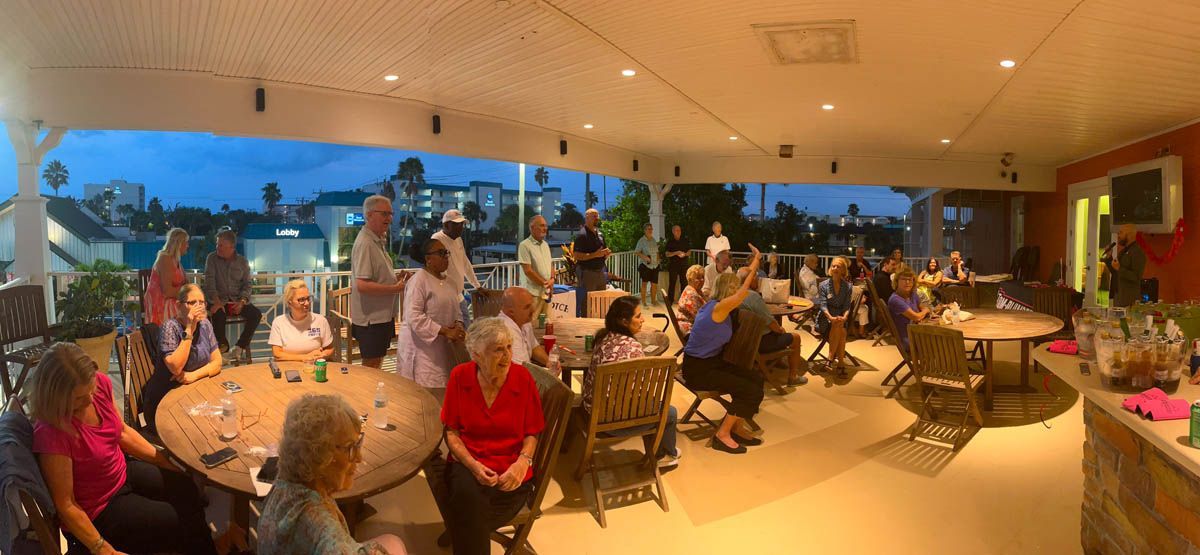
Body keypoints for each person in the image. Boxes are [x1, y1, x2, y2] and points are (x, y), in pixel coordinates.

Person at [29, 343, 217, 555]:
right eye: (79, 398)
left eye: (90, 391)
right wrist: (103, 549)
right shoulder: (51, 433)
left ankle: (199, 545)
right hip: (99, 509)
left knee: (187, 487)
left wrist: (164, 461)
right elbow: (66, 505)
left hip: (122, 473)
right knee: (179, 521)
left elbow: (122, 433)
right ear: (56, 397)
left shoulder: (99, 384)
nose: (91, 399)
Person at [441, 318, 544, 555]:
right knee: (468, 501)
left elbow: (533, 431)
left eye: (509, 347)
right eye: (498, 350)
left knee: (466, 516)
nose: (507, 355)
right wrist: (473, 466)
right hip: (468, 462)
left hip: (510, 468)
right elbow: (452, 433)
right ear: (476, 355)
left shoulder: (522, 378)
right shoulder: (460, 377)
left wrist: (522, 462)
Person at [257, 394, 407, 555]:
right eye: (350, 448)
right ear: (320, 457)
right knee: (394, 542)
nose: (358, 457)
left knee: (392, 540)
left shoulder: (284, 482)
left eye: (358, 444)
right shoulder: (318, 521)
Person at [681, 244, 765, 455]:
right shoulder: (718, 308)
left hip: (710, 363)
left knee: (756, 379)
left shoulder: (713, 305)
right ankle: (723, 435)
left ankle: (735, 426)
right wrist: (755, 264)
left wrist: (755, 261)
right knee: (749, 389)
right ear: (729, 292)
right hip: (698, 370)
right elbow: (744, 291)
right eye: (735, 289)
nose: (739, 293)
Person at [583, 296, 680, 468]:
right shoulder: (632, 347)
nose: (643, 319)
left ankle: (661, 448)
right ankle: (665, 454)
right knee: (669, 412)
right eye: (638, 316)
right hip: (610, 421)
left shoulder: (603, 338)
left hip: (592, 410)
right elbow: (639, 393)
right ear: (623, 321)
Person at [141, 284, 223, 433]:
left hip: (193, 395)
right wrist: (189, 329)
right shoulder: (170, 327)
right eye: (192, 303)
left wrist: (193, 376)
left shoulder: (205, 325)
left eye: (202, 302)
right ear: (179, 305)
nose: (199, 306)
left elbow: (217, 362)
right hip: (164, 403)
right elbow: (176, 367)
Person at [398, 239, 466, 391]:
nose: (446, 257)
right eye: (441, 253)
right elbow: (414, 316)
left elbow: (457, 312)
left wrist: (458, 325)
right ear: (428, 259)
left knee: (444, 390)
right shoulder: (418, 281)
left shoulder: (451, 283)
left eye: (446, 253)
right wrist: (444, 331)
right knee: (424, 393)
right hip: (422, 350)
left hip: (444, 349)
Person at [351, 195, 408, 369]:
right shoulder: (366, 243)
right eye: (384, 214)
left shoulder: (377, 240)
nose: (389, 219)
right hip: (371, 321)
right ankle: (367, 396)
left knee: (377, 364)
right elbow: (362, 285)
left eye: (391, 214)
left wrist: (396, 279)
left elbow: (376, 276)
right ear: (369, 215)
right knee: (371, 367)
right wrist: (394, 288)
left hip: (381, 317)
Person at [736, 267, 808, 386]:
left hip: (743, 341)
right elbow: (771, 323)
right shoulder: (753, 297)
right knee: (795, 337)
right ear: (751, 279)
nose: (758, 280)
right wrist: (780, 330)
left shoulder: (733, 294)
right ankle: (793, 377)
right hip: (759, 342)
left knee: (781, 331)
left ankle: (776, 361)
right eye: (756, 277)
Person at [203, 228, 260, 363]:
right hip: (218, 300)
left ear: (232, 247)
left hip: (236, 300)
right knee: (218, 314)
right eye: (217, 244)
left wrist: (242, 301)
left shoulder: (242, 262)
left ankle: (240, 346)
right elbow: (209, 283)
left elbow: (247, 284)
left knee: (256, 314)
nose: (217, 247)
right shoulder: (212, 258)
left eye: (221, 245)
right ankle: (222, 349)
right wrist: (216, 302)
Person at [433, 209, 482, 323]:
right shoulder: (437, 239)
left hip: (458, 295)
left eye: (462, 224)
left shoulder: (458, 239)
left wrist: (477, 285)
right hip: (445, 298)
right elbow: (435, 270)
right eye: (457, 224)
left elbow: (465, 263)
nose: (461, 227)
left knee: (466, 328)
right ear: (446, 225)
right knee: (454, 330)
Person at [268, 279, 334, 362]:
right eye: (301, 300)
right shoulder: (279, 322)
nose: (307, 303)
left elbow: (329, 349)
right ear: (289, 302)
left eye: (308, 298)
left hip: (314, 367)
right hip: (288, 368)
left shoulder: (320, 320)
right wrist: (305, 357)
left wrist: (322, 355)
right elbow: (277, 355)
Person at [145, 227, 189, 325]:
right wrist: (186, 291)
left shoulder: (176, 260)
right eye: (186, 242)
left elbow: (186, 284)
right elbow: (167, 292)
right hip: (161, 303)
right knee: (190, 312)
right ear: (179, 244)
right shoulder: (165, 259)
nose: (187, 246)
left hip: (173, 299)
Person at [817, 257, 853, 373]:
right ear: (830, 268)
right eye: (834, 266)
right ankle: (840, 363)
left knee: (839, 326)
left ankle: (830, 360)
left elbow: (847, 306)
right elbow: (823, 306)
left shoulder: (848, 287)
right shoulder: (823, 285)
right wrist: (831, 317)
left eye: (839, 266)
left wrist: (845, 317)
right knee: (840, 330)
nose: (835, 268)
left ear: (844, 270)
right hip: (825, 318)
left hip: (840, 318)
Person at [573, 208, 611, 317]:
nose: (597, 218)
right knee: (587, 302)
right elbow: (577, 255)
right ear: (587, 217)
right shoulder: (582, 235)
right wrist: (595, 254)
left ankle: (599, 323)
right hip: (588, 273)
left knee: (601, 300)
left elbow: (601, 251)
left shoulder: (599, 233)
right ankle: (586, 324)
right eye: (594, 216)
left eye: (597, 216)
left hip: (600, 272)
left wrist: (605, 254)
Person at [499, 287, 548, 368]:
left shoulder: (523, 321)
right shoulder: (506, 331)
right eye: (527, 307)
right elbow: (522, 369)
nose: (533, 310)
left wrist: (548, 361)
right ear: (511, 312)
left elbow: (534, 346)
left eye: (532, 304)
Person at [518, 215, 554, 319]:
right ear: (532, 227)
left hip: (546, 293)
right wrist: (545, 284)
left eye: (546, 226)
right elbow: (528, 271)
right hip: (532, 294)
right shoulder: (524, 245)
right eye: (542, 225)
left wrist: (552, 279)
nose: (545, 228)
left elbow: (550, 264)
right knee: (531, 325)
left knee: (547, 325)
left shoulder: (545, 245)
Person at [1103, 224, 1148, 307]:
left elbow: (1136, 277)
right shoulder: (1123, 251)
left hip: (1129, 299)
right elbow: (1115, 271)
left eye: (1121, 233)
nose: (1118, 235)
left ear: (1129, 235)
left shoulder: (1137, 252)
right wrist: (1109, 257)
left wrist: (1119, 268)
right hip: (1118, 295)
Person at [888, 267, 931, 352]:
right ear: (897, 281)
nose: (907, 282)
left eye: (910, 280)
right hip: (908, 339)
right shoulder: (895, 299)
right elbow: (916, 317)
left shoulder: (912, 294)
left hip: (918, 332)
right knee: (945, 343)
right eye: (904, 279)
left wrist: (924, 311)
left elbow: (922, 307)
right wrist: (925, 311)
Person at [634, 223, 660, 307]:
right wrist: (645, 257)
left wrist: (658, 259)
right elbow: (637, 252)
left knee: (654, 284)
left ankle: (653, 301)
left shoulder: (653, 239)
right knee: (644, 283)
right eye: (648, 229)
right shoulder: (641, 240)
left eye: (651, 229)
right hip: (645, 265)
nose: (650, 230)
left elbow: (656, 251)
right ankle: (644, 302)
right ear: (645, 230)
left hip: (655, 265)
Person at [676, 265, 707, 334]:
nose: (702, 280)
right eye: (698, 278)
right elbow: (701, 318)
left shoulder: (695, 290)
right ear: (690, 280)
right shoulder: (691, 294)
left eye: (703, 277)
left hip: (694, 327)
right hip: (691, 331)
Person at [664, 225, 690, 303]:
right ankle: (670, 301)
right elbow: (667, 254)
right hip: (673, 265)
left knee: (684, 283)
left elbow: (689, 251)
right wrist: (676, 253)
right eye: (676, 230)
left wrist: (685, 254)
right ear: (673, 232)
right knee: (672, 283)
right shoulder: (670, 241)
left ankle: (683, 300)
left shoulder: (684, 240)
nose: (678, 232)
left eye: (679, 230)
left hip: (684, 265)